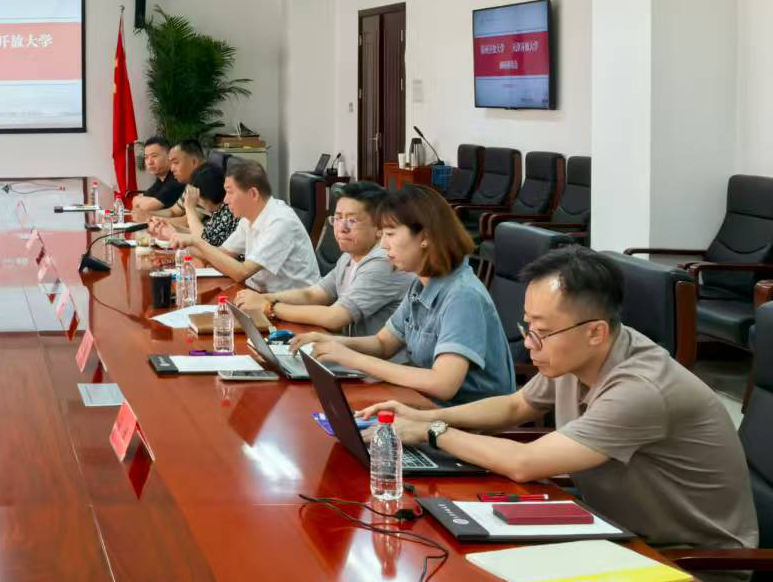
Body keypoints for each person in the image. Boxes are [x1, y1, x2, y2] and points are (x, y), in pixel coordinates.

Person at [357, 247, 757, 578]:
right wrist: (419, 417)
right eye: (527, 325)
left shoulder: (640, 388)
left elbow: (525, 463)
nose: (530, 343)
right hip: (615, 532)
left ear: (595, 331)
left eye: (542, 331)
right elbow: (516, 405)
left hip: (683, 562)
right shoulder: (580, 353)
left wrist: (434, 431)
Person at [292, 184, 515, 406]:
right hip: (423, 403)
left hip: (460, 417)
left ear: (424, 236)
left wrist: (354, 359)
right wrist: (330, 341)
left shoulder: (462, 295)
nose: (383, 244)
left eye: (390, 234)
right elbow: (383, 343)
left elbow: (443, 384)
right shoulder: (421, 283)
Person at [234, 181, 410, 337]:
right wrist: (266, 298)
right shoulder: (350, 256)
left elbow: (335, 317)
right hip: (348, 351)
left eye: (352, 220)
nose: (342, 228)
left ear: (380, 228)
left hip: (373, 362)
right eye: (338, 218)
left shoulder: (383, 262)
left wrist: (270, 307)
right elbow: (314, 294)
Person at [150, 160, 321, 293]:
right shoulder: (249, 217)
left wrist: (195, 241)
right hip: (258, 295)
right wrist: (175, 242)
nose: (225, 200)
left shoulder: (279, 221)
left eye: (230, 192)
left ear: (253, 194)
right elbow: (222, 254)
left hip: (292, 309)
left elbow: (242, 272)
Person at [142, 139, 207, 219]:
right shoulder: (191, 183)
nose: (172, 169)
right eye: (146, 157)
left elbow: (188, 222)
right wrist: (147, 215)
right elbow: (174, 211)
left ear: (194, 162)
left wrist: (149, 218)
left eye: (176, 163)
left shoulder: (207, 181)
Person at [178, 162, 237, 246]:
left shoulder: (229, 211)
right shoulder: (219, 210)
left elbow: (205, 241)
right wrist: (173, 228)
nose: (198, 202)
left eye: (199, 198)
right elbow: (205, 232)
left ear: (207, 194)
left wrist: (189, 208)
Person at [128, 136, 184, 214]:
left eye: (154, 156)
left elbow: (148, 207)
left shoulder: (177, 178)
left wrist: (145, 201)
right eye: (146, 157)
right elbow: (135, 200)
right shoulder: (161, 178)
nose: (149, 162)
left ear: (169, 156)